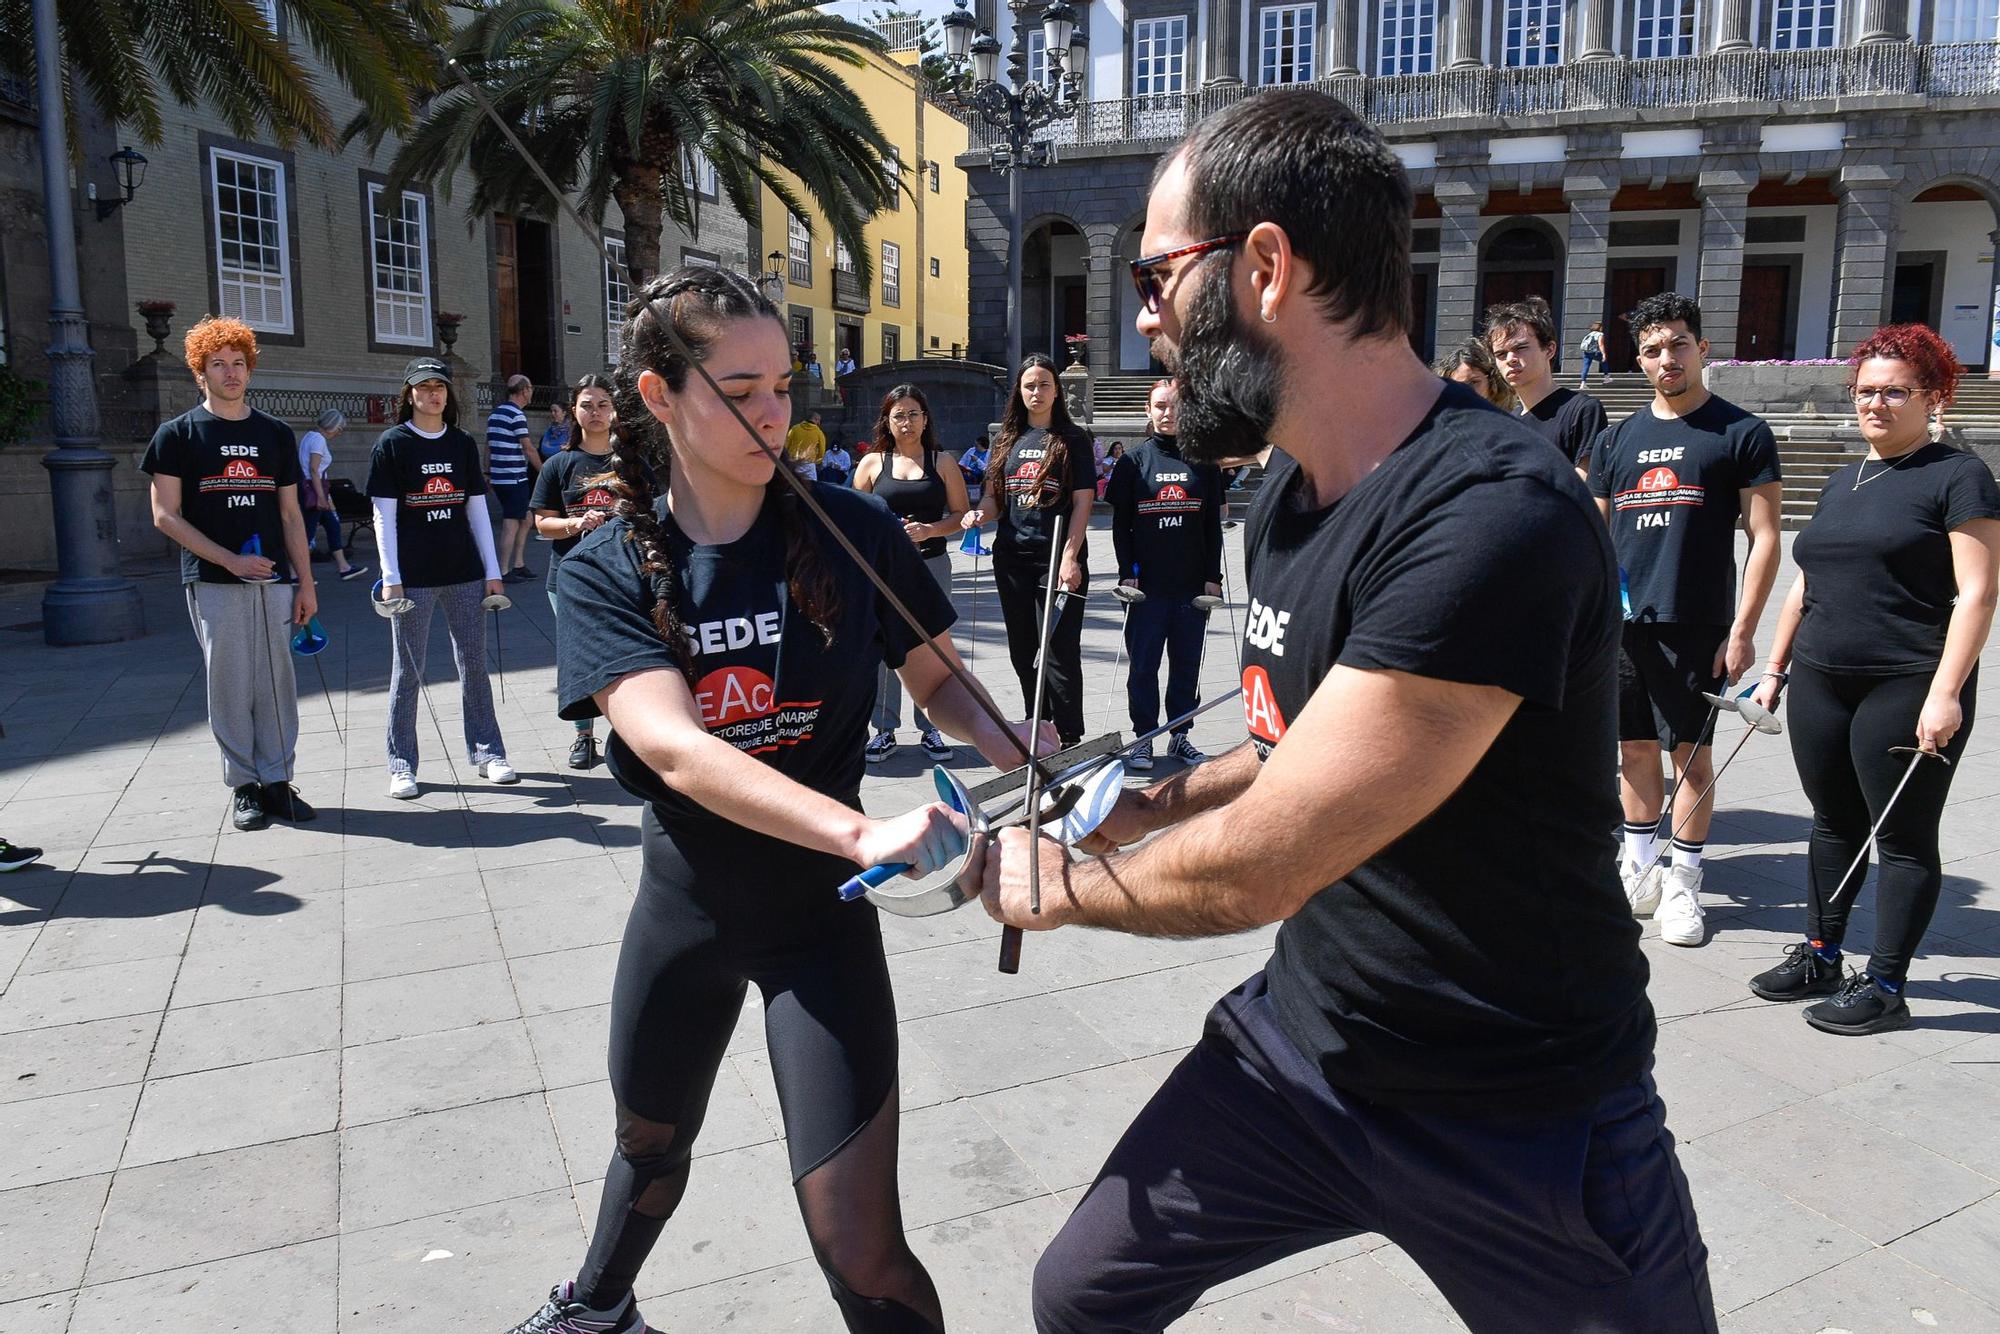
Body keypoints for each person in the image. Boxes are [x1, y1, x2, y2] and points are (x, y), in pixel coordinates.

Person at [981, 89, 1714, 1333]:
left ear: (1263, 265)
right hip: (1303, 1050)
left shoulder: (1490, 513)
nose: (1146, 316)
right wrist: (1140, 803)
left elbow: (1268, 864)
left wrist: (1045, 881)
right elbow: (1288, 748)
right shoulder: (1287, 492)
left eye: (1158, 275)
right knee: (1080, 1294)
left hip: (1516, 1109)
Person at [508, 265, 1047, 1334]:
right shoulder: (610, 562)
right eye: (739, 388)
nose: (771, 414)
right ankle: (597, 1307)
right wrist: (864, 828)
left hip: (821, 927)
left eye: (782, 387)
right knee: (648, 1143)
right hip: (686, 914)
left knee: (862, 1243)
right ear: (659, 396)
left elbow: (936, 675)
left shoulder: (850, 530)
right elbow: (675, 749)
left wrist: (1008, 740)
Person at [1745, 324, 2000, 1035]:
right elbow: (1807, 579)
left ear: (1934, 396)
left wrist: (1947, 691)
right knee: (1832, 823)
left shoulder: (1957, 475)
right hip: (1823, 678)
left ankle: (1886, 984)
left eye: (1895, 392)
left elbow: (1977, 594)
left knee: (1903, 839)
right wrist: (1775, 668)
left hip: (1907, 682)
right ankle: (1823, 954)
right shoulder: (1842, 478)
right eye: (1865, 392)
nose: (1876, 404)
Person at [1588, 292, 1783, 948]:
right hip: (1622, 627)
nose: (1666, 358)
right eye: (1652, 349)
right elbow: (1593, 535)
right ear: (1636, 359)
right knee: (1633, 750)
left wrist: (1745, 627)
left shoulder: (1740, 433)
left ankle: (1684, 883)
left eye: (1677, 345)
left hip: (1696, 622)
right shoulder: (1615, 439)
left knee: (1690, 759)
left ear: (1702, 348)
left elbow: (1765, 537)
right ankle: (1639, 868)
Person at [142, 316, 318, 833]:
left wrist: (305, 581)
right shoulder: (177, 434)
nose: (230, 372)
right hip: (216, 580)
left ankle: (278, 781)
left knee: (277, 680)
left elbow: (290, 514)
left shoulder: (275, 434)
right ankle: (243, 785)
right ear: (201, 373)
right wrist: (229, 560)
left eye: (238, 362)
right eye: (218, 364)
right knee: (230, 682)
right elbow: (164, 515)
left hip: (275, 580)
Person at [369, 358, 515, 799]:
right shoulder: (392, 444)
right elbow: (383, 516)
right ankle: (401, 764)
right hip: (413, 579)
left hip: (464, 574)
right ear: (409, 394)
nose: (433, 394)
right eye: (424, 386)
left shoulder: (461, 444)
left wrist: (493, 571)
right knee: (408, 671)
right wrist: (390, 576)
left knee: (474, 665)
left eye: (440, 387)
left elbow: (477, 511)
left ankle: (489, 752)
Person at [962, 355, 1096, 745]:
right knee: (1023, 650)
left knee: (1059, 651)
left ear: (1057, 390)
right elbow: (993, 499)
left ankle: (1070, 736)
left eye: (1044, 385)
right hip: (1011, 560)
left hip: (1056, 557)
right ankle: (1039, 725)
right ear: (1019, 391)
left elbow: (1084, 502)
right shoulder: (1007, 439)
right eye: (1029, 385)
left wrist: (1071, 557)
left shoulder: (1073, 440)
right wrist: (978, 517)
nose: (1036, 392)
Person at [1105, 379, 1222, 772]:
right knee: (1143, 666)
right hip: (1147, 588)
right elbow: (1122, 527)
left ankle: (1179, 735)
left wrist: (1213, 576)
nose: (1168, 413)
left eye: (1174, 406)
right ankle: (1144, 738)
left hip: (1191, 587)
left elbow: (1212, 526)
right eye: (1160, 406)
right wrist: (1126, 573)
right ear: (1148, 410)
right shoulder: (1132, 463)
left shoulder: (1204, 462)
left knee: (1187, 664)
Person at [854, 384, 972, 762]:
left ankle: (934, 727)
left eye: (914, 414)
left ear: (926, 419)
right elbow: (852, 517)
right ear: (887, 421)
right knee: (884, 645)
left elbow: (961, 516)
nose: (907, 422)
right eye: (899, 415)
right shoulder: (873, 463)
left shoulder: (942, 462)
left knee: (933, 647)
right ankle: (883, 730)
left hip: (932, 566)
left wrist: (930, 530)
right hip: (882, 571)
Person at [532, 374, 620, 770]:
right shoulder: (558, 465)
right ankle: (584, 736)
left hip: (623, 578)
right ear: (574, 411)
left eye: (603, 403)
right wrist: (576, 523)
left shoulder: (630, 464)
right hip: (569, 578)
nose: (596, 412)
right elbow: (541, 524)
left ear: (615, 409)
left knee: (627, 656)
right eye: (587, 404)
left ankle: (631, 735)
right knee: (579, 657)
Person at [1487, 295, 1607, 476]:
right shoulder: (1507, 422)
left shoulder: (1582, 411)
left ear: (1549, 350)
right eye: (1501, 354)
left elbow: (1586, 487)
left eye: (1520, 348)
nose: (1510, 360)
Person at [297, 408, 368, 581]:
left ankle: (344, 567)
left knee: (332, 527)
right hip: (315, 491)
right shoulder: (319, 440)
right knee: (308, 533)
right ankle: (297, 572)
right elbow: (314, 470)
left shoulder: (310, 436)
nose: (339, 432)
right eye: (339, 428)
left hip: (314, 489)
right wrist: (322, 497)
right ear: (332, 425)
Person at [487, 373, 542, 582]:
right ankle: (503, 571)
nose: (531, 392)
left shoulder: (495, 414)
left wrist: (488, 473)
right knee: (511, 523)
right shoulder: (516, 415)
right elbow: (528, 448)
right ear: (524, 391)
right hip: (514, 478)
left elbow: (488, 448)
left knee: (526, 519)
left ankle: (518, 564)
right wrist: (545, 471)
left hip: (501, 478)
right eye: (530, 388)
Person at [1432, 337, 1517, 413]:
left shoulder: (1513, 423)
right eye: (1457, 386)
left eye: (1473, 382)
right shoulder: (1443, 427)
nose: (1466, 391)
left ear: (1493, 383)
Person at [786, 409, 827, 481]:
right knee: (811, 486)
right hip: (808, 463)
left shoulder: (795, 428)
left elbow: (786, 444)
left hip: (793, 462)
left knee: (792, 485)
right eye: (818, 420)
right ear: (815, 419)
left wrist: (788, 458)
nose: (819, 423)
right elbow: (822, 451)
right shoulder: (819, 433)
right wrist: (817, 461)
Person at [1579, 320, 1610, 387]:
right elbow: (1601, 344)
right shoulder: (1600, 334)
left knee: (1586, 366)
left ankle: (1583, 383)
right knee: (1604, 361)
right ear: (1600, 327)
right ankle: (1606, 378)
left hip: (1587, 352)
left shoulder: (1590, 334)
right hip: (1595, 352)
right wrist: (1604, 354)